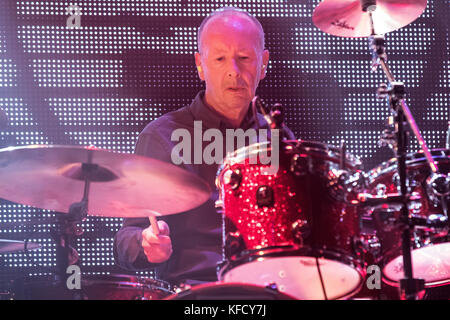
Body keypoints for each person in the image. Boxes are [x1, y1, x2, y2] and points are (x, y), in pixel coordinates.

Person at [114, 6, 294, 287]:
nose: (233, 71)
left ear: (263, 64)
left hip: (267, 289)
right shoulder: (163, 136)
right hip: (192, 291)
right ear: (200, 65)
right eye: (220, 58)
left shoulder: (280, 139)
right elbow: (125, 241)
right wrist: (145, 243)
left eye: (244, 58)